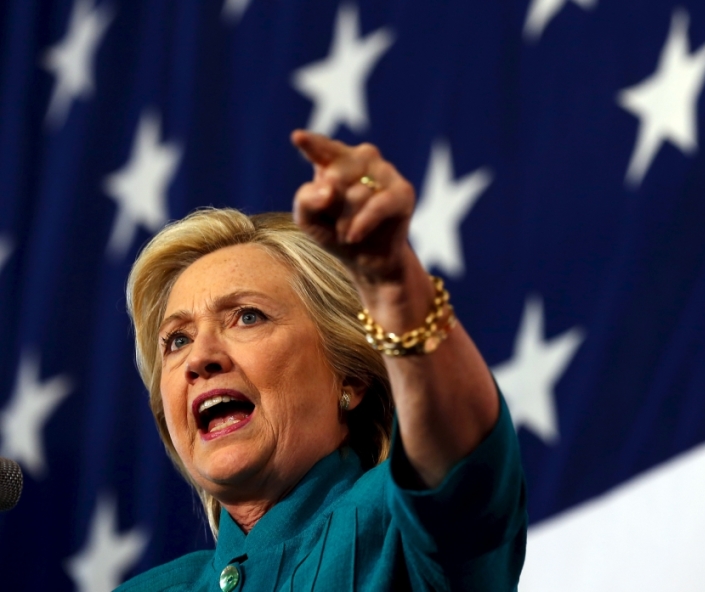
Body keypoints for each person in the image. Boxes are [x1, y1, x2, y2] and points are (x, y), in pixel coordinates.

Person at [117, 131, 527, 591]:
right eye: (177, 340)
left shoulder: (399, 529)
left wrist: (395, 285)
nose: (200, 358)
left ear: (349, 377)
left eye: (247, 317)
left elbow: (463, 464)